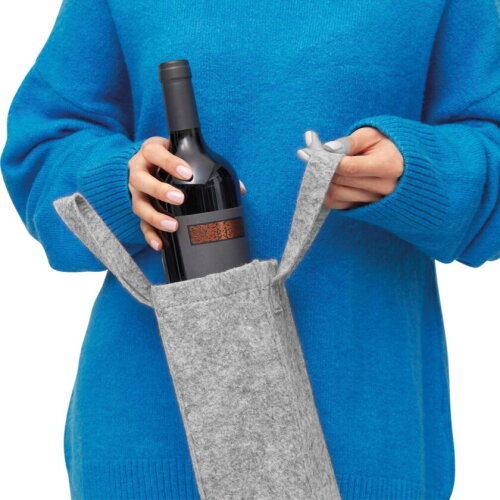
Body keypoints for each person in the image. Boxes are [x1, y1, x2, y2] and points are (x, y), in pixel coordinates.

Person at [1, 0, 499, 498]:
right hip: (151, 432)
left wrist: (417, 172)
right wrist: (125, 184)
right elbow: (39, 153)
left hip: (361, 434)